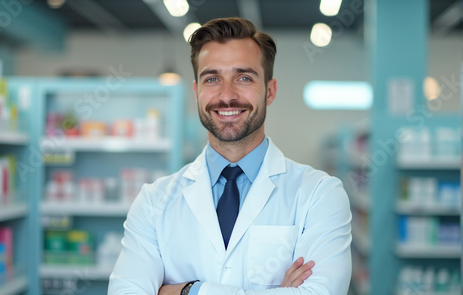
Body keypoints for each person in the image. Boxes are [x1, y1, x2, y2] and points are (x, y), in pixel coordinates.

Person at [108, 17, 352, 295]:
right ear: (197, 91)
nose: (226, 95)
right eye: (212, 79)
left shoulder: (319, 194)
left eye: (244, 77)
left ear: (269, 91)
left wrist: (188, 291)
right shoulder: (154, 202)